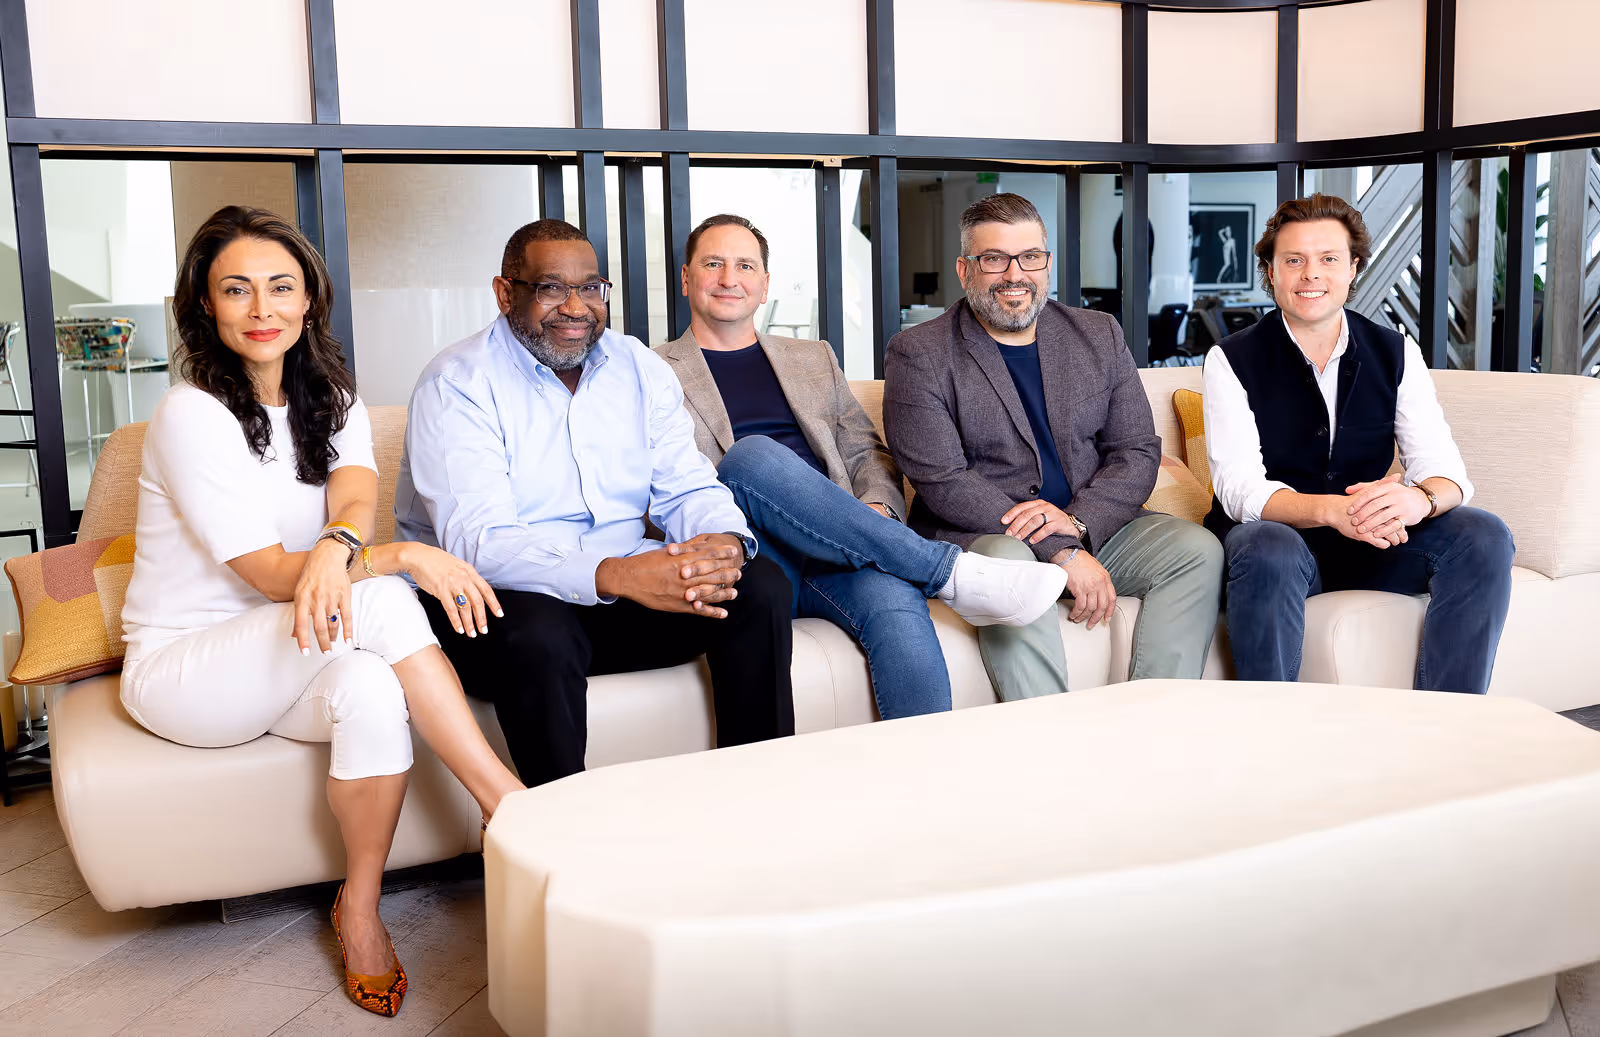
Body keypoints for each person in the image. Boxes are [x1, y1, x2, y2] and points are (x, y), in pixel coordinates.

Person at [119, 206, 524, 1019]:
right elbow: (272, 575)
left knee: (373, 689)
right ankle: (511, 804)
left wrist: (342, 544)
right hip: (188, 670)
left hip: (292, 652)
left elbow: (357, 491)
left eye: (281, 288)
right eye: (237, 290)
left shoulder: (328, 391)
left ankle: (361, 907)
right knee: (385, 593)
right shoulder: (189, 412)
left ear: (310, 300)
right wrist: (398, 554)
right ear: (205, 303)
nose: (262, 309)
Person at [395, 220, 795, 788]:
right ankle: (561, 836)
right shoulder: (457, 382)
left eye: (591, 288)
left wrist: (722, 544)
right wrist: (619, 575)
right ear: (506, 292)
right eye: (552, 288)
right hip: (503, 603)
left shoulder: (637, 367)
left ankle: (759, 797)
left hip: (622, 598)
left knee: (759, 587)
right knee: (541, 630)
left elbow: (688, 484)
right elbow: (478, 543)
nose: (576, 307)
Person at [655, 214, 1067, 719]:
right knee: (752, 455)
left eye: (745, 265)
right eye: (713, 263)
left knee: (896, 604)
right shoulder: (651, 372)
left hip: (843, 545)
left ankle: (926, 774)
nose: (728, 278)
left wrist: (877, 507)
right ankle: (945, 571)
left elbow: (866, 452)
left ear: (764, 285)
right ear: (685, 278)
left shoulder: (815, 358)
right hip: (754, 557)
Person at [884, 193, 1223, 699]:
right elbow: (943, 482)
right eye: (994, 258)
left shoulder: (1097, 333)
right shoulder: (919, 353)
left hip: (1095, 524)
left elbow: (1136, 449)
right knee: (1011, 567)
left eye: (1030, 257)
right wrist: (1060, 549)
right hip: (988, 535)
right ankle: (1045, 741)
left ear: (1047, 262)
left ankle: (1156, 721)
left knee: (1196, 549)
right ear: (965, 268)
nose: (1014, 274)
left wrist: (1079, 524)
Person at [1202, 193, 1514, 693]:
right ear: (1271, 272)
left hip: (1376, 545)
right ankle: (1266, 733)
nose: (1311, 275)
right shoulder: (1230, 359)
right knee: (1265, 544)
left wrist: (1418, 499)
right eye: (1294, 260)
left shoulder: (1395, 351)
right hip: (1283, 549)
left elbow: (1446, 470)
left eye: (1328, 259)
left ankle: (1451, 725)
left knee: (1483, 535)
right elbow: (1240, 491)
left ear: (1353, 268)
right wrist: (1333, 512)